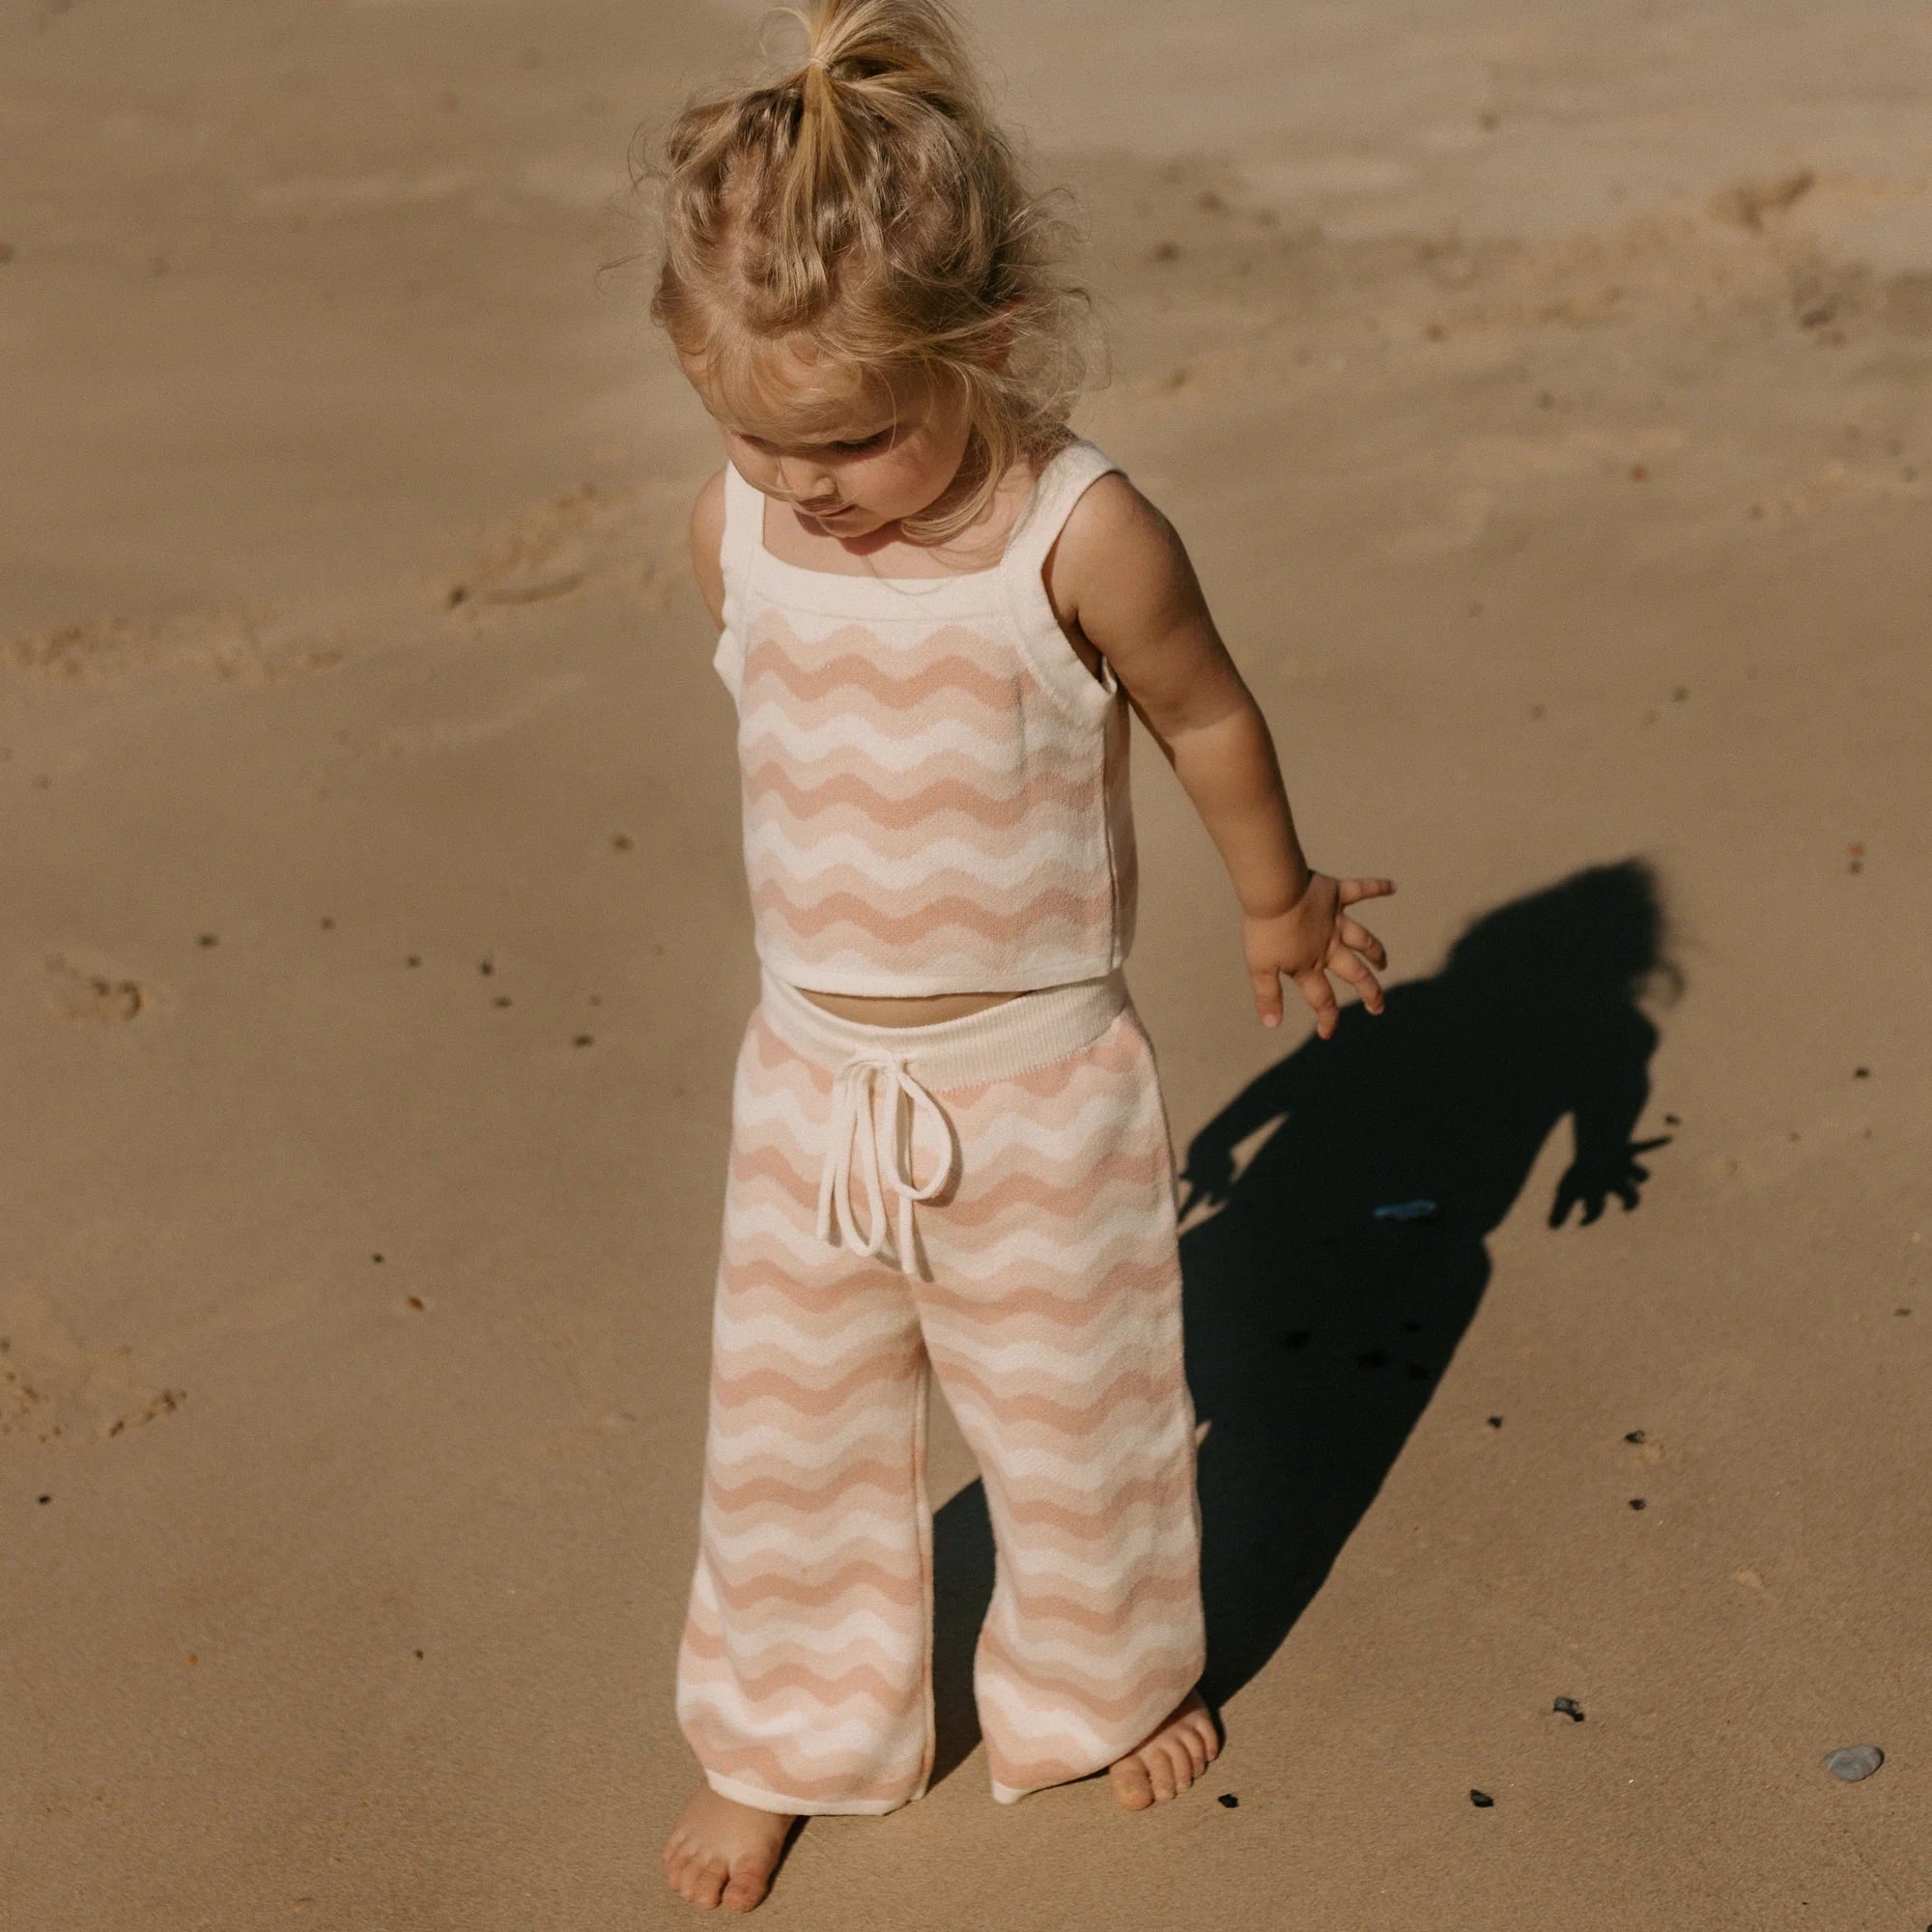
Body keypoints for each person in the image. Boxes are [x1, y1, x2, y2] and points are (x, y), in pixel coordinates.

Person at [646, 0, 1394, 1910]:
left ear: (980, 348)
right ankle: (776, 1736)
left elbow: (1203, 715)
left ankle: (1096, 1680)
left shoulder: (1078, 533)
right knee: (788, 1437)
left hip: (1037, 1082)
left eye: (853, 438)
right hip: (811, 1083)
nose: (803, 478)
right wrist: (774, 472)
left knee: (1083, 1418)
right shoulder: (740, 523)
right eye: (754, 428)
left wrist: (1277, 897)